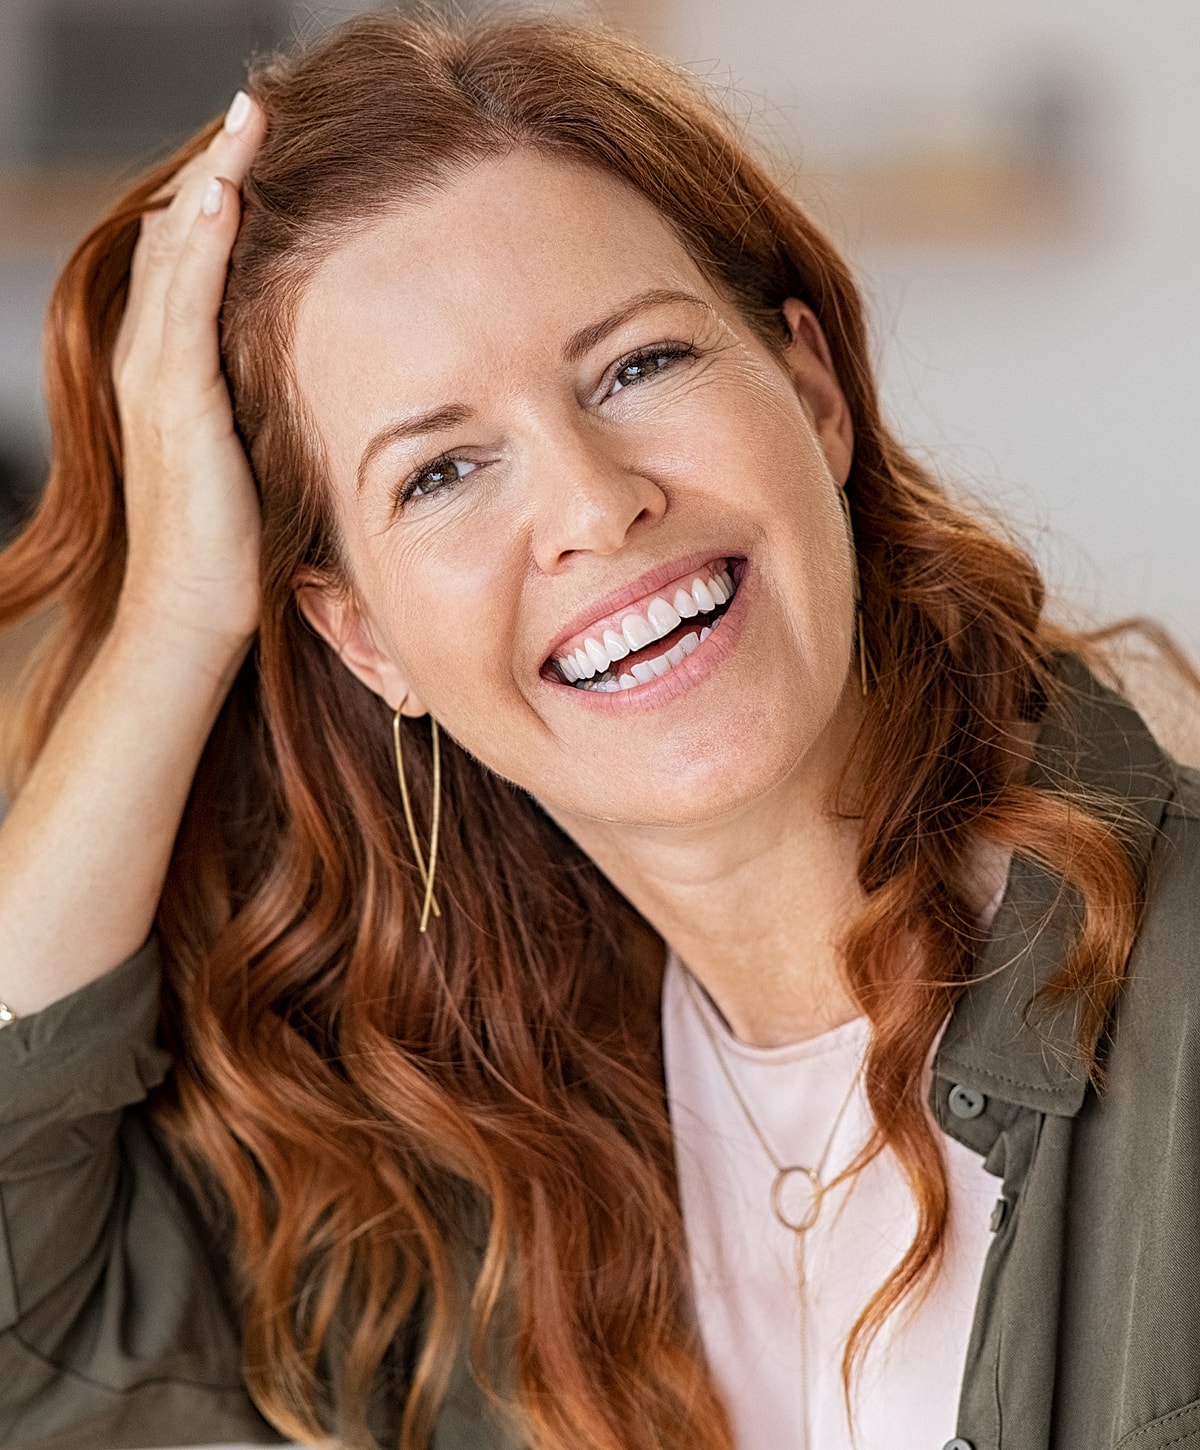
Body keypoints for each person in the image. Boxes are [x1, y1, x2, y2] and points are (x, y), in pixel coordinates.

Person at [0, 12, 1197, 1450]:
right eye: (442, 471)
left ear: (813, 394)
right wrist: (177, 614)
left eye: (638, 366)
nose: (591, 504)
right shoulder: (455, 1205)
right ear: (365, 638)